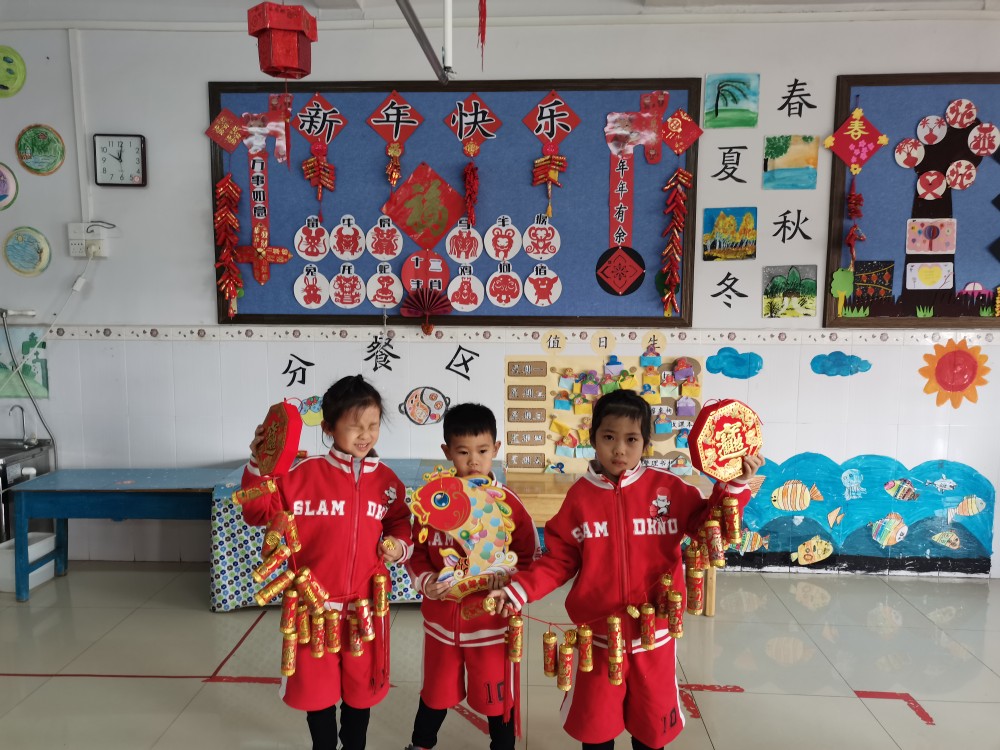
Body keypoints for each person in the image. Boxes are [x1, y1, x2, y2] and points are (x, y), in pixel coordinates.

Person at [489, 389, 764, 750]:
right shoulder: (580, 499)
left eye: (631, 439)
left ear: (646, 444)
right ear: (593, 440)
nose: (619, 449)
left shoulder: (668, 489)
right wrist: (518, 590)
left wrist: (735, 486)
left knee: (651, 732)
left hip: (656, 638)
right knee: (597, 731)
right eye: (609, 437)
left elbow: (706, 526)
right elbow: (558, 561)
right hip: (599, 640)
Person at [240, 374, 413, 750]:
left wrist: (399, 546)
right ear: (330, 428)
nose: (366, 435)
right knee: (316, 694)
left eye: (373, 425)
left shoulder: (386, 481)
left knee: (361, 694)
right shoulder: (301, 475)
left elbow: (400, 521)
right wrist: (259, 462)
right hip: (312, 610)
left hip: (365, 610)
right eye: (355, 426)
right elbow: (256, 511)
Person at [404, 403, 541, 750]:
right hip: (441, 625)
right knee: (434, 694)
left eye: (482, 451)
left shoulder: (508, 504)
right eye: (463, 452)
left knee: (498, 700)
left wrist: (507, 580)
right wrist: (426, 583)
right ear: (447, 451)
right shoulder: (432, 503)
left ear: (496, 449)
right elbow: (416, 553)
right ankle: (421, 744)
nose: (474, 461)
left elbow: (530, 557)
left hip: (491, 626)